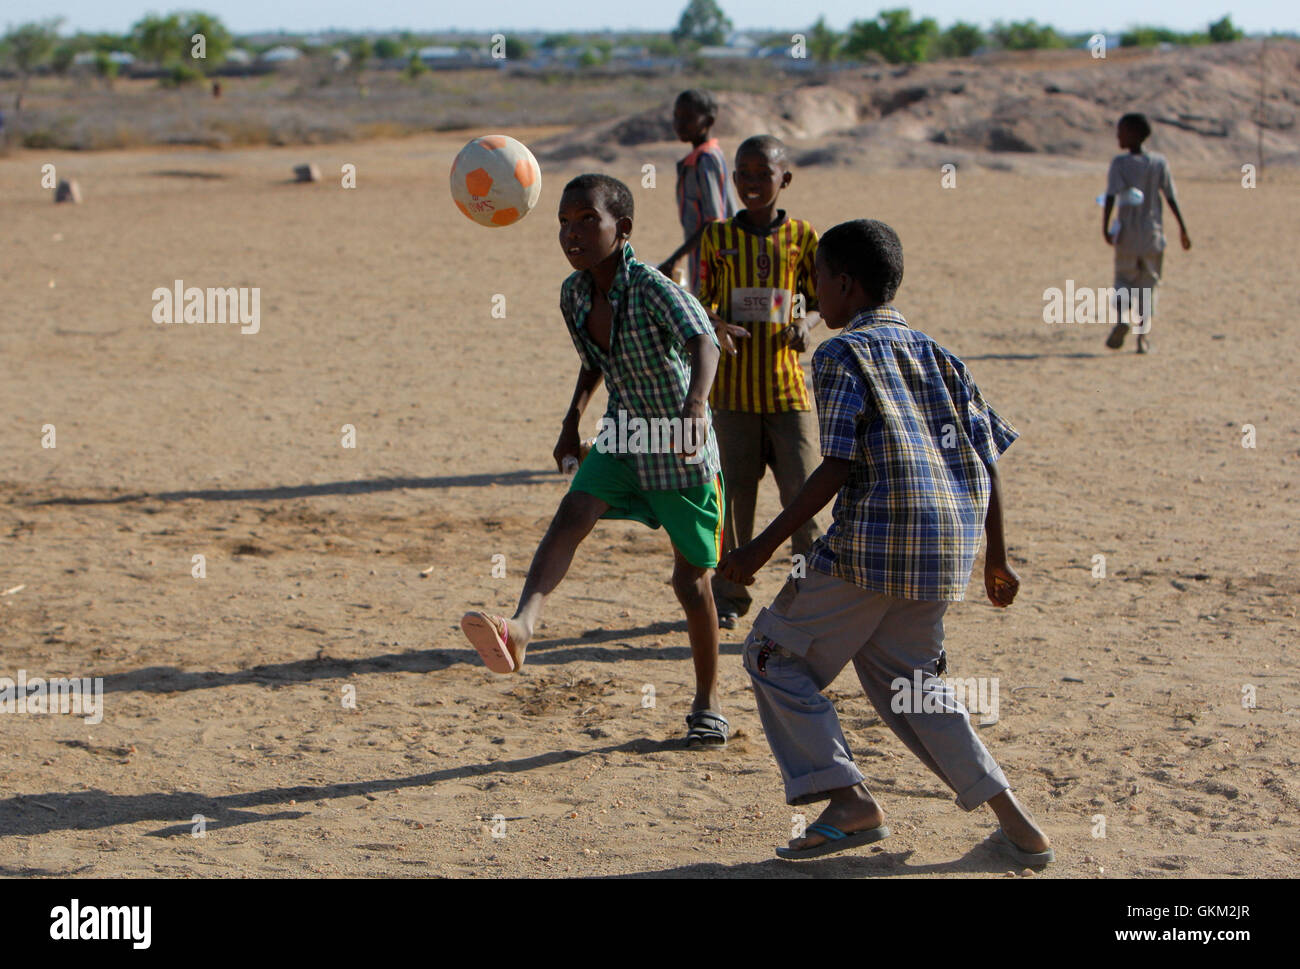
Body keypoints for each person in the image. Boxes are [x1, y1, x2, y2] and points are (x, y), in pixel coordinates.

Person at [718, 219, 1053, 865]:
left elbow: (835, 464)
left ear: (845, 283)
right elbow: (987, 459)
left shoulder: (840, 355)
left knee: (768, 655)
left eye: (816, 279)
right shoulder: (939, 354)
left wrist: (759, 546)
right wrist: (995, 556)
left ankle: (848, 800)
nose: (813, 294)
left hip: (875, 543)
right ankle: (1019, 826)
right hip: (944, 551)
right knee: (914, 690)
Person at [461, 174, 732, 747]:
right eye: (563, 221)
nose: (572, 233)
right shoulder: (574, 293)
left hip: (680, 445)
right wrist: (570, 423)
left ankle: (708, 702)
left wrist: (696, 406)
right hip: (625, 433)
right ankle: (521, 627)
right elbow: (595, 363)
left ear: (622, 229)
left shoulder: (654, 288)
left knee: (691, 582)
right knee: (571, 514)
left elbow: (703, 339)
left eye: (588, 219)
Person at [695, 135, 821, 630]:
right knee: (733, 503)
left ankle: (809, 598)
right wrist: (718, 324)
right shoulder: (717, 236)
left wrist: (804, 326)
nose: (750, 182)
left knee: (804, 500)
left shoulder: (804, 237)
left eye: (761, 174)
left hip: (788, 391)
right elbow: (700, 300)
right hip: (733, 396)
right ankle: (729, 595)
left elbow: (817, 300)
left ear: (783, 179)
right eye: (742, 173)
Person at [1102, 112, 1192, 354]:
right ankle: (1142, 337)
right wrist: (1182, 228)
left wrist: (1105, 227)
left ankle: (1121, 318)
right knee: (1148, 286)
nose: (1118, 136)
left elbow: (1110, 196)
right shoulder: (1159, 163)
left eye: (1121, 131)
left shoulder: (1119, 164)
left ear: (1133, 134)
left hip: (1127, 235)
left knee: (1123, 280)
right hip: (1153, 234)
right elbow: (1170, 197)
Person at [658, 89, 736, 291]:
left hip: (715, 259)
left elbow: (714, 222)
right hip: (702, 256)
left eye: (688, 118)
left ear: (708, 121)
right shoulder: (698, 159)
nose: (679, 123)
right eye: (677, 116)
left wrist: (675, 258)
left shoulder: (706, 159)